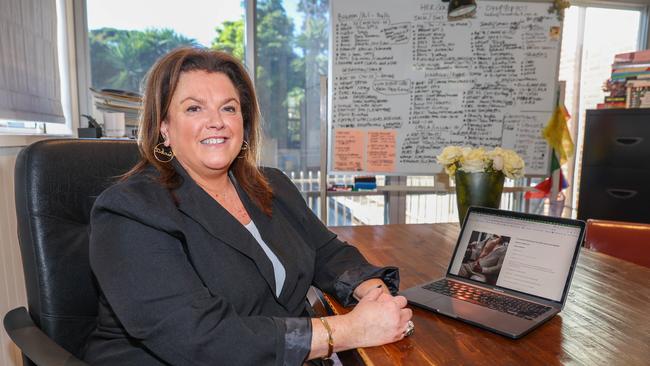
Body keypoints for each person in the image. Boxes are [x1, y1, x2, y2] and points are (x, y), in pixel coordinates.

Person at [82, 47, 413, 366]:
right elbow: (200, 338)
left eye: (229, 108)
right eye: (194, 109)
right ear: (164, 128)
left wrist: (372, 293)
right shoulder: (130, 211)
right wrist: (346, 331)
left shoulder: (272, 186)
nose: (217, 122)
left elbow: (326, 252)